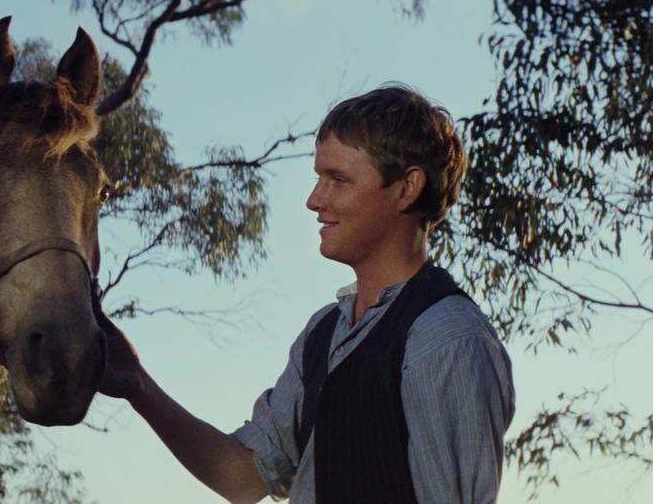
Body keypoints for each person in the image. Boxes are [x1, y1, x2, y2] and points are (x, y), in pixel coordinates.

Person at [98, 84, 516, 504]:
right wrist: (136, 384)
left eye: (338, 180)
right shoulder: (324, 332)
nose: (314, 200)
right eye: (319, 178)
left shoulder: (445, 336)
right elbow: (242, 478)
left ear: (407, 187)